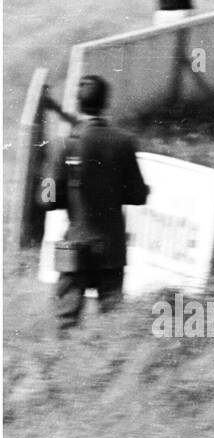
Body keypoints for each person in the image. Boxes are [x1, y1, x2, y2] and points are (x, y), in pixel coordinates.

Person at [46, 75, 150, 330]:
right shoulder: (124, 143)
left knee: (66, 323)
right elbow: (138, 195)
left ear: (78, 105)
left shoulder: (67, 144)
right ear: (105, 103)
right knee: (112, 325)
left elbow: (47, 198)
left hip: (75, 245)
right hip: (111, 248)